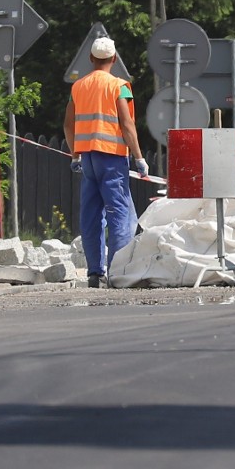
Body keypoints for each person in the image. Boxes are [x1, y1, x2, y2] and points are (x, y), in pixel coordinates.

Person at [64, 36, 148, 288]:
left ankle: (94, 273)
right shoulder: (118, 86)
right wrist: (139, 157)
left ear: (91, 58)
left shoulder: (78, 86)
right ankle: (117, 272)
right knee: (119, 214)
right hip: (111, 157)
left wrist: (75, 154)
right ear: (114, 59)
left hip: (88, 158)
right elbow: (127, 124)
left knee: (91, 215)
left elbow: (69, 124)